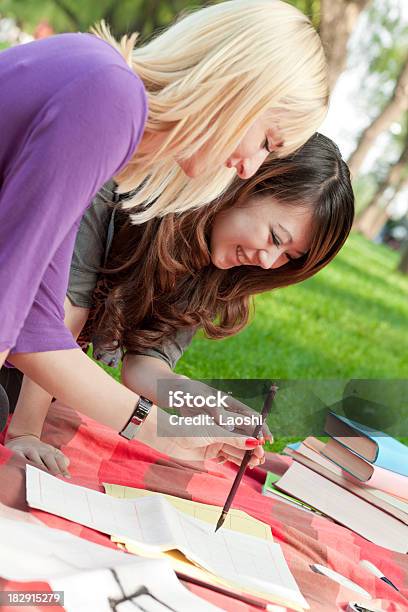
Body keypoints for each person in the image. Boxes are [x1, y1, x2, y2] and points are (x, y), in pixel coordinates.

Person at [0, 1, 329, 464]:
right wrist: (25, 432)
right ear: (238, 88)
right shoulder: (110, 99)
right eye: (266, 141)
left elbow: (34, 324)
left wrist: (172, 424)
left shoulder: (116, 108)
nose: (248, 167)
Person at [4, 133, 354, 476]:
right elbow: (60, 316)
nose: (267, 261)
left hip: (38, 376)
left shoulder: (210, 263)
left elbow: (145, 364)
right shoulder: (121, 180)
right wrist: (25, 433)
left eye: (288, 257)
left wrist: (204, 403)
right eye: (276, 237)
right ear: (246, 183)